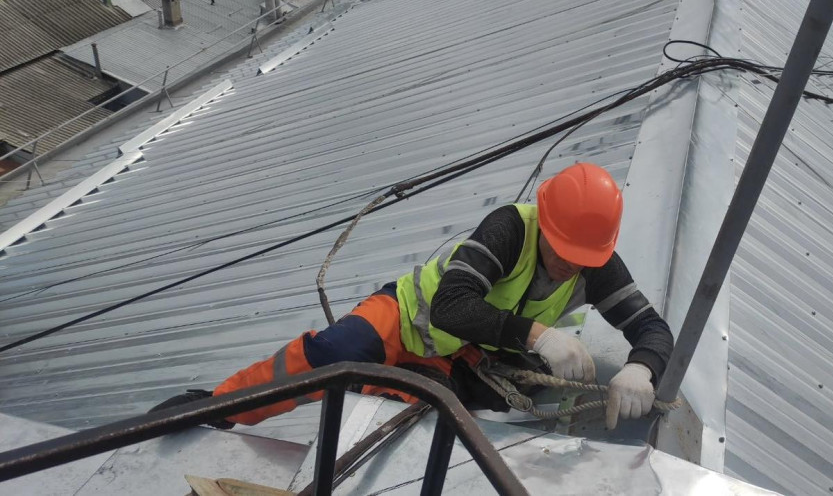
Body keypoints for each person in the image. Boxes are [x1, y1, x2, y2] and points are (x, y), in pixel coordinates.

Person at [151, 163, 673, 430]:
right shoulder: (510, 229)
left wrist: (641, 368)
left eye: (582, 257)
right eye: (561, 250)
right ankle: (219, 408)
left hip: (459, 357)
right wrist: (538, 335)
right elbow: (449, 306)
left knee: (438, 409)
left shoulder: (596, 263)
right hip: (403, 316)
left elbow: (651, 328)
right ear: (546, 223)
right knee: (329, 357)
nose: (569, 265)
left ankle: (392, 385)